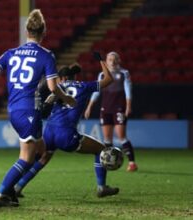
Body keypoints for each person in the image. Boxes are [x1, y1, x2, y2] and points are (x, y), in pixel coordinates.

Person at [0, 9, 76, 207]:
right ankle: (1, 194)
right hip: (29, 111)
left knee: (42, 151)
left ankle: (13, 189)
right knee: (26, 158)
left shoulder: (11, 53)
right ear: (44, 32)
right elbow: (53, 87)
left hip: (15, 110)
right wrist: (67, 99)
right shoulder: (46, 55)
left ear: (27, 31)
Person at [14, 54, 120, 198]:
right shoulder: (83, 86)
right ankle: (102, 187)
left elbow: (45, 96)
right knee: (101, 150)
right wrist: (101, 60)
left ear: (62, 78)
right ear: (74, 77)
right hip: (66, 133)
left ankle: (17, 186)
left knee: (43, 158)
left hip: (49, 131)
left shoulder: (57, 87)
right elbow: (108, 80)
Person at [84, 51, 138, 172]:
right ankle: (107, 163)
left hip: (119, 108)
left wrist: (128, 106)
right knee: (107, 139)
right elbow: (97, 92)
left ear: (118, 61)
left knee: (121, 136)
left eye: (114, 59)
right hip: (106, 109)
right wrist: (89, 107)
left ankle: (132, 162)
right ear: (106, 61)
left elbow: (128, 90)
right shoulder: (102, 75)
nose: (112, 62)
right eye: (109, 59)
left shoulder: (124, 73)